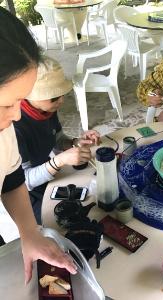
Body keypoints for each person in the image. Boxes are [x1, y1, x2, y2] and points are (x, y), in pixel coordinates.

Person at [0, 7, 76, 283]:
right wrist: (60, 161)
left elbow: (11, 177)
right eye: (8, 104)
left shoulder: (4, 128)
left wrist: (29, 232)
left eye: (22, 100)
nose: (17, 115)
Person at [13, 56, 100, 225]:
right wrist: (58, 161)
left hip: (50, 176)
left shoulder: (46, 110)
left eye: (61, 94)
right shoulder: (15, 126)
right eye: (53, 97)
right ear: (31, 95)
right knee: (68, 223)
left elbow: (58, 139)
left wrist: (76, 143)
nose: (61, 101)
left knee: (94, 200)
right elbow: (24, 183)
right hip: (28, 195)